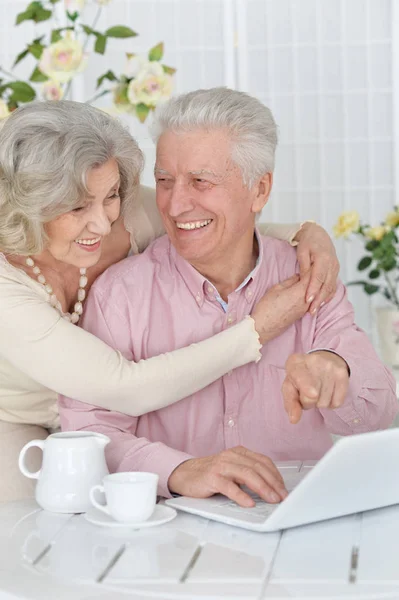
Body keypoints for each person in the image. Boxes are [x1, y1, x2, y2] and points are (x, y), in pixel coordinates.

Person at [60, 88, 398, 508]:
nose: (176, 204)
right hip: (168, 531)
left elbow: (378, 414)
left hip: (294, 520)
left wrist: (337, 373)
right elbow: (88, 434)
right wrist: (180, 471)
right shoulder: (121, 294)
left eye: (201, 181)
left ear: (260, 190)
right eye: (164, 181)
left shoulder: (309, 276)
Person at [0, 101, 339, 502]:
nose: (102, 222)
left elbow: (215, 225)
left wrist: (306, 233)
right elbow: (122, 385)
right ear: (31, 205)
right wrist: (257, 330)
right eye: (76, 207)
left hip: (112, 420)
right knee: (30, 524)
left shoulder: (128, 214)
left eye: (109, 195)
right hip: (24, 420)